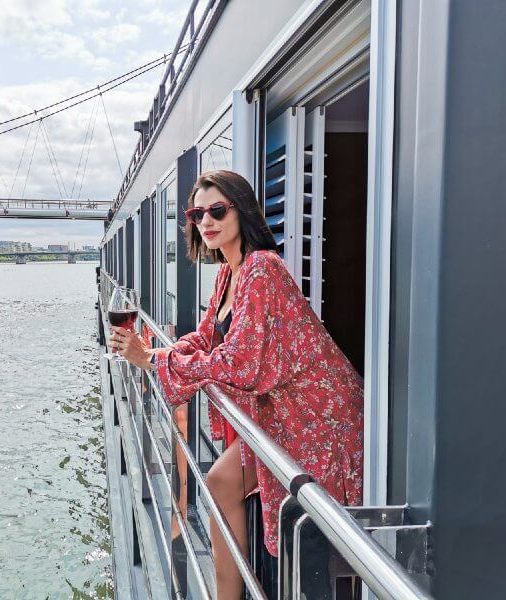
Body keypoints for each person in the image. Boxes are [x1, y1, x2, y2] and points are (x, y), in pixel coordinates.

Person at [110, 170, 363, 599]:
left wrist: (154, 358)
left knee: (315, 537)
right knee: (222, 484)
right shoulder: (230, 272)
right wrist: (160, 349)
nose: (205, 221)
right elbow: (209, 336)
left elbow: (240, 363)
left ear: (241, 211)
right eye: (196, 213)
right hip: (282, 413)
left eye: (217, 210)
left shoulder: (262, 268)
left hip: (317, 416)